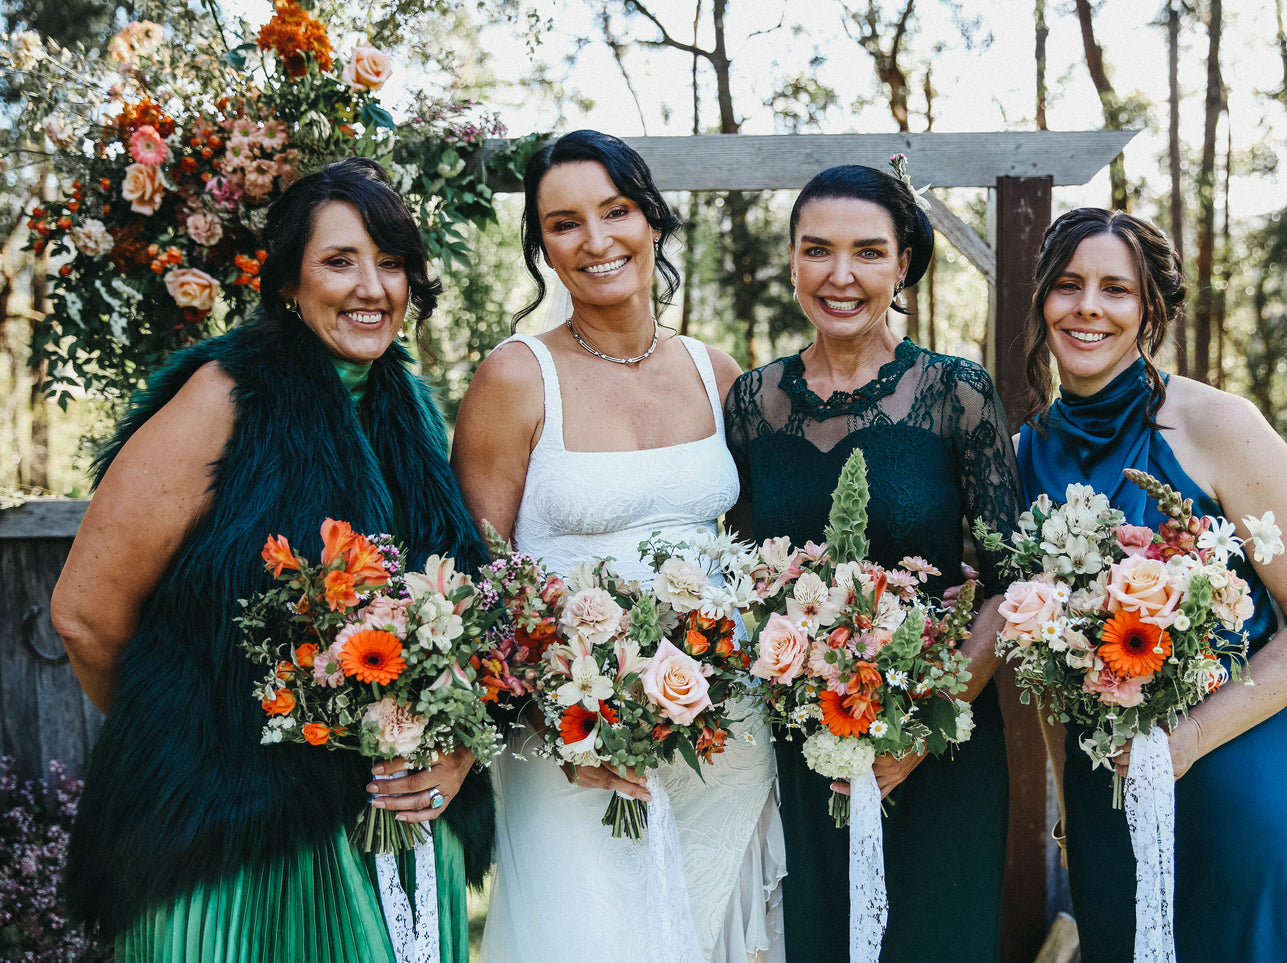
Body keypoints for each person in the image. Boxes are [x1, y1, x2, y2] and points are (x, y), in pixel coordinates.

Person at [52, 157, 492, 962]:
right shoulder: (223, 396)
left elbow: (457, 617)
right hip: (234, 844)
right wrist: (198, 744)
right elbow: (84, 614)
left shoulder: (414, 415)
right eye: (339, 261)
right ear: (288, 280)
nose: (371, 287)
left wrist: (452, 746)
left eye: (390, 262)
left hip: (391, 828)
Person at [451, 129, 784, 962]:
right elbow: (479, 582)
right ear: (543, 249)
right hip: (570, 744)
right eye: (564, 224)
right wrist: (559, 721)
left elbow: (754, 555)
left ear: (653, 221)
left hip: (724, 742)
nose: (595, 240)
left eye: (616, 211)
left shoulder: (717, 372)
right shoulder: (514, 377)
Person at [1017, 207, 1287, 961]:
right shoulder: (1022, 456)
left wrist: (1189, 737)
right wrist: (1073, 812)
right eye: (1068, 285)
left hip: (1234, 780)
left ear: (1151, 310)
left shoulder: (1220, 426)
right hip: (1106, 795)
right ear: (1042, 299)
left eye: (1116, 289)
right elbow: (1043, 668)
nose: (1087, 307)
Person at [723, 163, 1024, 962]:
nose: (840, 275)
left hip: (941, 743)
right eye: (817, 250)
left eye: (867, 251)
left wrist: (921, 728)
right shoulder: (752, 403)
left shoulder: (956, 392)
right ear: (792, 260)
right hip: (808, 748)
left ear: (902, 265)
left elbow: (1010, 584)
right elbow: (743, 575)